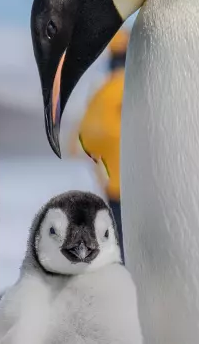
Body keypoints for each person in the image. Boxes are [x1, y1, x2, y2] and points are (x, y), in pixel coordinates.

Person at [69, 29, 129, 260]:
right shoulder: (143, 87)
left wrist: (99, 160)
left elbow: (84, 140)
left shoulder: (103, 92)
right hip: (146, 183)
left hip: (114, 184)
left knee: (123, 248)